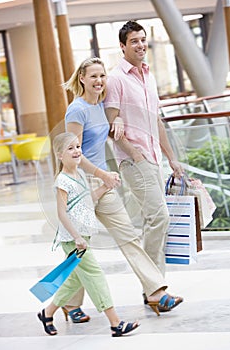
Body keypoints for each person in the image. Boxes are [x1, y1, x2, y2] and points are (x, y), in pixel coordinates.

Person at [62, 57, 183, 319]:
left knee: (128, 236)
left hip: (104, 183)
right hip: (81, 184)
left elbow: (106, 127)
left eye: (102, 76)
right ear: (81, 78)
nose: (99, 81)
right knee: (82, 246)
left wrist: (115, 125)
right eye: (93, 76)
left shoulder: (100, 105)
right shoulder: (77, 110)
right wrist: (102, 174)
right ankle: (70, 304)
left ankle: (155, 292)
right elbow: (72, 153)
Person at [104, 20, 184, 297]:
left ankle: (154, 287)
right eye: (133, 41)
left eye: (142, 39)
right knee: (158, 217)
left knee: (157, 219)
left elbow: (156, 121)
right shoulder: (115, 79)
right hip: (133, 160)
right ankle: (153, 288)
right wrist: (136, 154)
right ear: (122, 46)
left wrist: (171, 157)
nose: (140, 45)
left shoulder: (148, 75)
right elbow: (111, 126)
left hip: (153, 158)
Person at [37, 132, 139, 337]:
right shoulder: (63, 181)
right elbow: (61, 212)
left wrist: (105, 186)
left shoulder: (80, 174)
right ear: (59, 154)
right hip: (73, 240)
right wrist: (76, 237)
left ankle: (47, 313)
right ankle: (115, 323)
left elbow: (85, 202)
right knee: (95, 275)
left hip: (83, 237)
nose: (76, 151)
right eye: (70, 148)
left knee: (75, 280)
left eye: (77, 147)